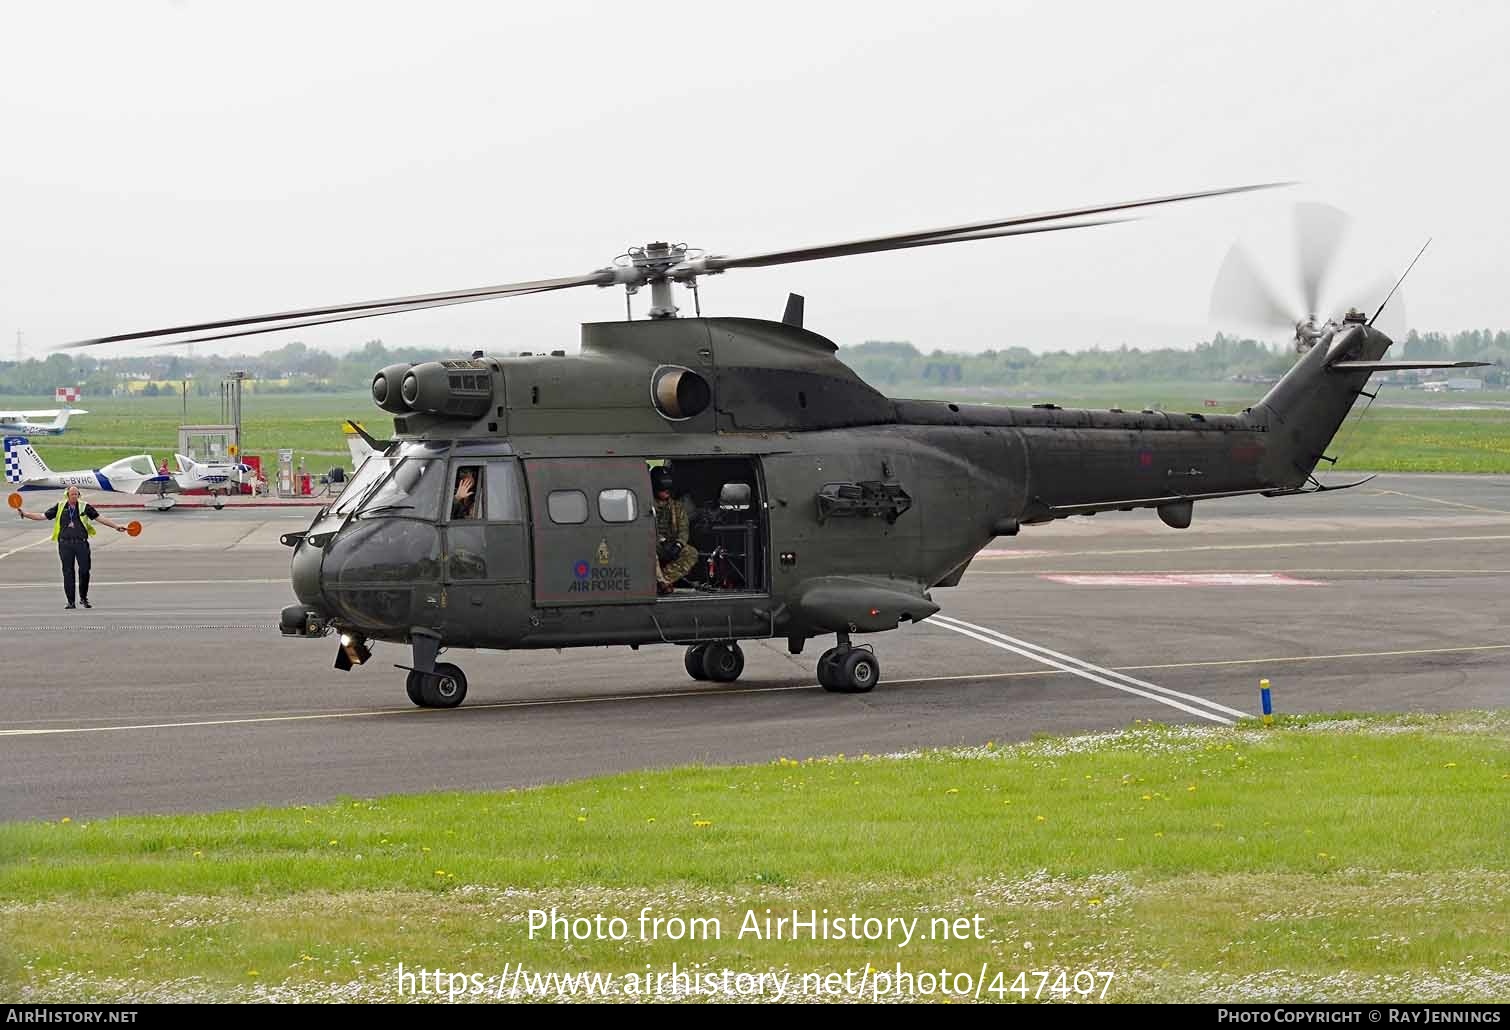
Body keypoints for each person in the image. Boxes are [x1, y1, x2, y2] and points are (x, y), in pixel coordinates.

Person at [15, 486, 131, 610]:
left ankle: (83, 598)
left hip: (81, 543)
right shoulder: (60, 506)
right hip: (65, 544)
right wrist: (25, 514)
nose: (75, 496)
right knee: (68, 572)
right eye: (72, 494)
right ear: (67, 495)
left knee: (85, 570)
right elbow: (42, 516)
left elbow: (99, 517)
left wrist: (116, 526)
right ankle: (71, 601)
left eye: (77, 494)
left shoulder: (84, 506)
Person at [652, 466, 698, 594]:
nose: (666, 491)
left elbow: (684, 530)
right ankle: (657, 582)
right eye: (662, 488)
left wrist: (678, 545)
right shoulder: (648, 506)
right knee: (650, 554)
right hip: (653, 544)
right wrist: (660, 540)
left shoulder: (676, 507)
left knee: (691, 553)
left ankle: (663, 581)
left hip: (671, 545)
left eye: (668, 488)